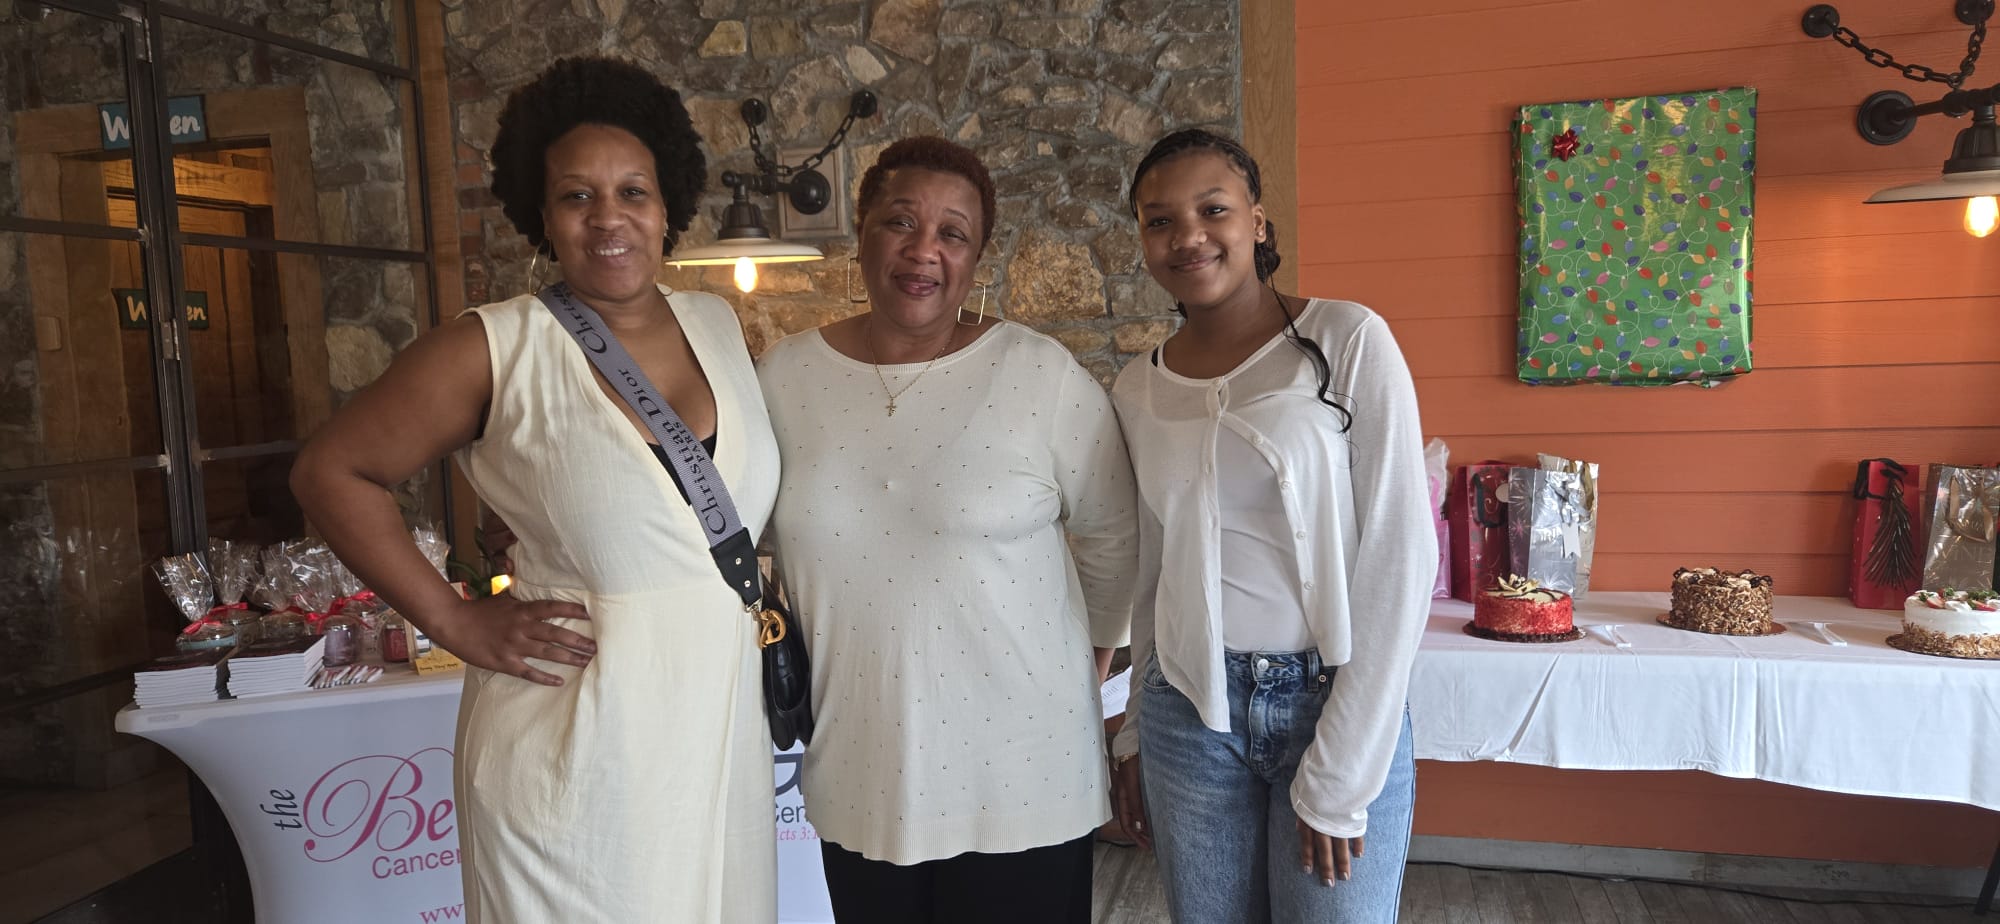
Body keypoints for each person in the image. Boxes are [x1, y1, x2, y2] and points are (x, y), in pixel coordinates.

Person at [289, 56, 780, 923]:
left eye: (633, 192)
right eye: (576, 196)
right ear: (542, 217)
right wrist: (454, 621)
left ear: (668, 206)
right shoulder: (493, 347)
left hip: (717, 739)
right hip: (575, 754)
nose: (608, 218)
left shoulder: (716, 323)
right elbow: (330, 472)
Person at [755, 135, 1138, 924]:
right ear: (861, 231)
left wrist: (1092, 661)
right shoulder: (785, 378)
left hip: (1026, 772)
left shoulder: (1039, 374)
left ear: (976, 257)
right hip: (861, 768)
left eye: (953, 233)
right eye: (900, 221)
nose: (923, 250)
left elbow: (1116, 537)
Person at [1106, 128, 1434, 923]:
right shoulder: (1135, 390)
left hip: (1330, 701)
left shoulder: (1347, 339)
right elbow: (1153, 568)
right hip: (1187, 710)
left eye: (1213, 209)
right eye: (1160, 220)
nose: (1188, 235)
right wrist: (1134, 732)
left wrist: (1342, 772)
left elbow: (1400, 555)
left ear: (1257, 221)